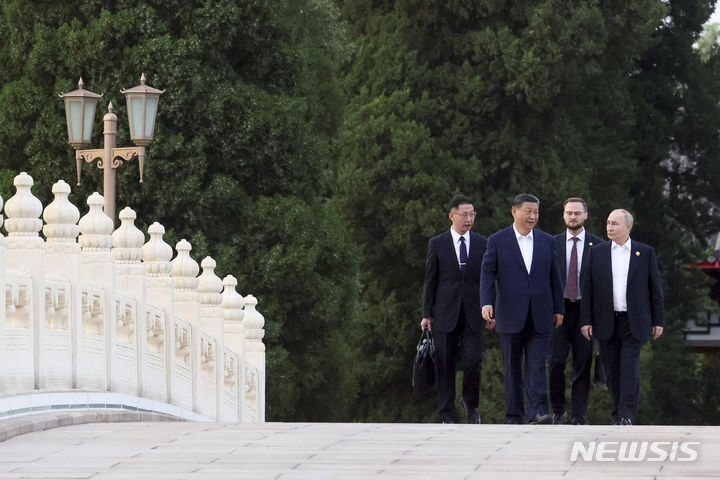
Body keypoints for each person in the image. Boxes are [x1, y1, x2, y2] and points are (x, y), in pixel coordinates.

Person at [481, 194, 564, 424]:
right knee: (512, 369)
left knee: (537, 365)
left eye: (536, 212)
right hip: (509, 314)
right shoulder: (497, 241)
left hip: (542, 314)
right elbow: (488, 273)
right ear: (514, 212)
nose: (533, 216)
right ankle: (514, 415)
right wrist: (486, 302)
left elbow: (555, 278)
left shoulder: (547, 241)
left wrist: (559, 308)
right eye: (528, 211)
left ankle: (537, 412)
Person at [580, 209, 664, 426]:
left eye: (615, 223)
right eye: (608, 223)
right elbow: (587, 290)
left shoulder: (644, 253)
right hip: (605, 320)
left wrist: (658, 321)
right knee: (611, 368)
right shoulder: (596, 252)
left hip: (633, 321)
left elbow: (655, 290)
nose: (610, 227)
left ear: (628, 227)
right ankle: (617, 412)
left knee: (629, 366)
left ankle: (627, 414)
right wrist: (586, 320)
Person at [421, 194, 489, 424]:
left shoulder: (482, 243)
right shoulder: (437, 243)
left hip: (474, 311)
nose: (469, 219)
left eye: (472, 214)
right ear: (452, 215)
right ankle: (447, 413)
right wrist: (426, 313)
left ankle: (471, 405)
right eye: (464, 214)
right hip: (444, 312)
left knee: (473, 361)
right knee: (444, 364)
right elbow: (430, 280)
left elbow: (489, 279)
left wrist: (492, 308)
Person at [549, 197, 603, 425]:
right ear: (563, 215)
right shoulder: (551, 243)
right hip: (558, 310)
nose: (573, 217)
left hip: (584, 312)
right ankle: (558, 411)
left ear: (586, 215)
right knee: (555, 362)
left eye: (577, 213)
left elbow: (602, 284)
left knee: (582, 365)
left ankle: (579, 416)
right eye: (569, 213)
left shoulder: (598, 246)